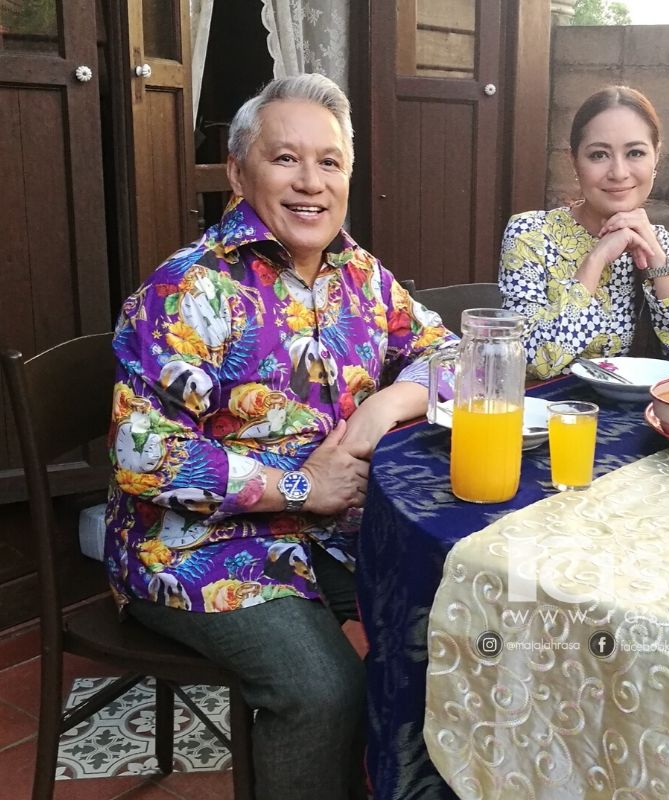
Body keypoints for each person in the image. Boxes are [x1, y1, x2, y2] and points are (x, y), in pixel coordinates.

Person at [105, 74, 454, 800]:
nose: (311, 183)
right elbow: (142, 452)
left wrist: (380, 409)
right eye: (285, 159)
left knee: (446, 621)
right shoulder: (189, 289)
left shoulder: (360, 276)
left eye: (329, 162)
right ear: (238, 170)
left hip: (330, 532)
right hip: (195, 546)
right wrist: (304, 486)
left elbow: (450, 356)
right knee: (323, 690)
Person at [499, 85, 669, 379]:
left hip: (636, 418)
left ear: (656, 159)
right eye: (599, 155)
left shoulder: (656, 240)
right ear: (574, 161)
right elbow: (529, 360)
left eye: (636, 152)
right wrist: (596, 260)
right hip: (553, 416)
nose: (619, 172)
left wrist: (658, 263)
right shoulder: (530, 234)